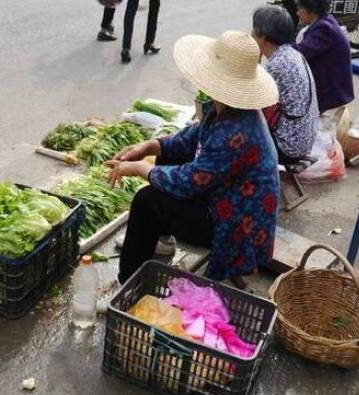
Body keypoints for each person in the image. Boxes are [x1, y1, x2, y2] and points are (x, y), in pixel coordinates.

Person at [106, 31, 280, 286]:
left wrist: (140, 169)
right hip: (224, 198)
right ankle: (162, 241)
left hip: (236, 226)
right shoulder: (224, 109)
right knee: (166, 158)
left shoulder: (237, 131)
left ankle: (128, 283)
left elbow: (189, 181)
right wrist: (149, 147)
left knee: (147, 201)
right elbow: (188, 140)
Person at [252, 5, 318, 171]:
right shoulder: (291, 54)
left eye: (254, 29)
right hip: (304, 140)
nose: (251, 34)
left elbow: (251, 105)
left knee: (238, 128)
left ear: (263, 37)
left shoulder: (277, 65)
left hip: (288, 147)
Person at [292, 0, 355, 113]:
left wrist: (277, 45)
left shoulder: (324, 29)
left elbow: (300, 52)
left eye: (299, 8)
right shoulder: (324, 21)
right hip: (328, 85)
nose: (297, 13)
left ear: (310, 10)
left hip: (331, 93)